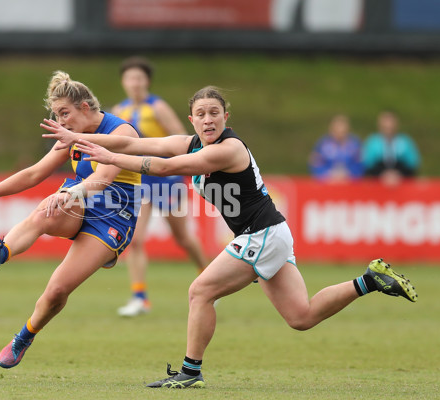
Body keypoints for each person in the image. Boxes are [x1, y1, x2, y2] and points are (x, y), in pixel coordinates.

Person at [40, 86, 418, 389]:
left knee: (200, 291)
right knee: (301, 317)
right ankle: (369, 281)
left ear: (225, 117)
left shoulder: (228, 149)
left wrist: (105, 157)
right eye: (201, 114)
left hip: (263, 234)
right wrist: (81, 136)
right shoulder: (193, 142)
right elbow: (140, 144)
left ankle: (190, 371)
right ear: (192, 119)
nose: (207, 120)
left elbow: (166, 166)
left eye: (214, 113)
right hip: (272, 234)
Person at [0, 71, 141, 369]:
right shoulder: (71, 136)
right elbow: (33, 173)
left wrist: (73, 194)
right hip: (78, 204)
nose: (61, 122)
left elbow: (103, 179)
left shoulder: (121, 133)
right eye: (56, 115)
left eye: (64, 113)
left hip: (112, 215)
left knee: (57, 292)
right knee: (47, 209)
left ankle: (24, 336)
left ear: (85, 107)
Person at [112, 56, 209, 317]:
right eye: (130, 78)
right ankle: (139, 297)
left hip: (167, 181)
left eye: (139, 78)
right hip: (139, 181)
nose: (134, 83)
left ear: (147, 82)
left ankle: (209, 279)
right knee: (136, 238)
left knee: (184, 239)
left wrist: (183, 170)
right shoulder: (117, 111)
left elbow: (184, 139)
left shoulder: (158, 108)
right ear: (123, 82)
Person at [362, 111, 420, 186]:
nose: (388, 127)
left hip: (402, 183)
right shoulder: (372, 142)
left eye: (391, 125)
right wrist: (382, 174)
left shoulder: (405, 142)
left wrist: (398, 174)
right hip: (377, 184)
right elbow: (367, 164)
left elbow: (413, 164)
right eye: (385, 126)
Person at [308, 114, 363, 182]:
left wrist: (348, 175)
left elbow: (360, 165)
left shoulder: (355, 144)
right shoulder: (322, 144)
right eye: (336, 130)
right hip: (327, 183)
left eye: (343, 132)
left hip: (350, 183)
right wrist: (328, 175)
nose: (340, 134)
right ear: (331, 130)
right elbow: (316, 164)